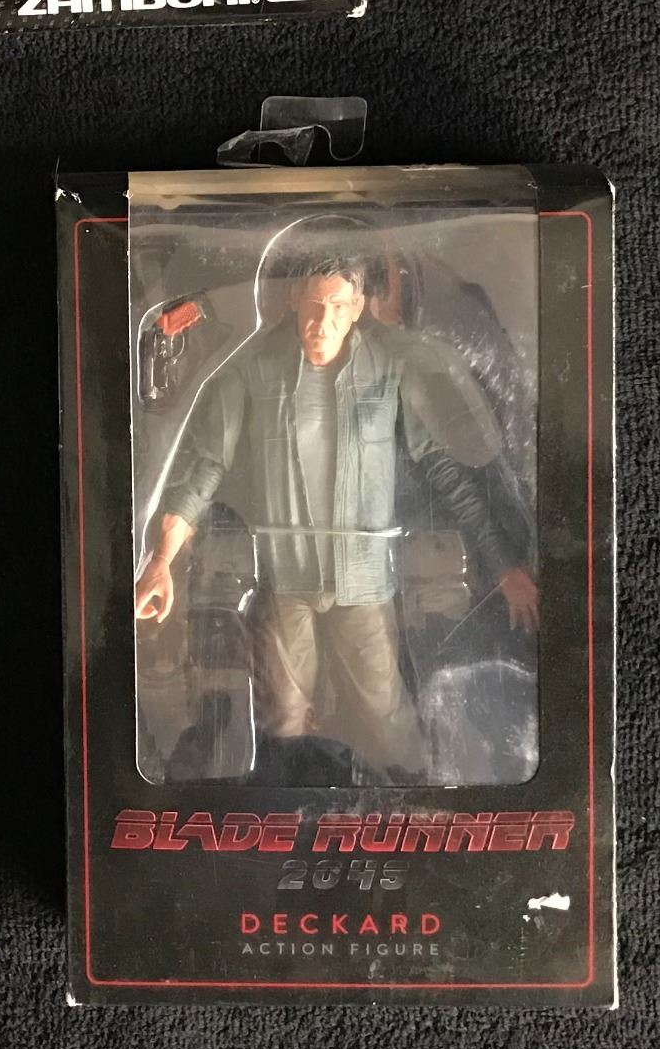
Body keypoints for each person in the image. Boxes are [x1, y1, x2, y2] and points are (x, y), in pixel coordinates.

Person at [133, 249, 539, 781]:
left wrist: (504, 564)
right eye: (314, 304)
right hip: (288, 584)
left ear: (357, 309)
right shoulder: (253, 371)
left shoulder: (388, 369)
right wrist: (161, 560)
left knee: (387, 721)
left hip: (364, 585)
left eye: (337, 307)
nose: (321, 322)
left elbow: (444, 471)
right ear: (295, 300)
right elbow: (202, 469)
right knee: (282, 719)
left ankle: (414, 799)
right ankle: (284, 805)